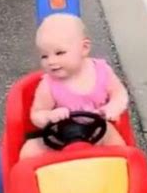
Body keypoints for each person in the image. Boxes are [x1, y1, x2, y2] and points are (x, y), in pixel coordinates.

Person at [20, 13, 128, 158]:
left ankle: (124, 176)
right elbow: (37, 114)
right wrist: (49, 116)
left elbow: (120, 94)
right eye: (44, 56)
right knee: (29, 150)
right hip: (60, 137)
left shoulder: (102, 71)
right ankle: (29, 179)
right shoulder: (48, 84)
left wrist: (112, 107)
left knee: (120, 151)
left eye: (59, 53)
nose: (51, 61)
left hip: (98, 131)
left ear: (84, 48)